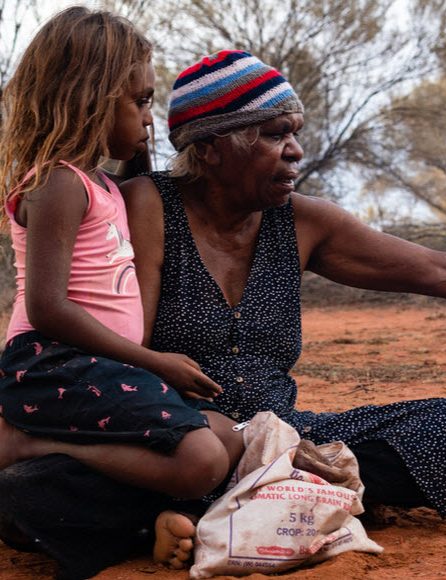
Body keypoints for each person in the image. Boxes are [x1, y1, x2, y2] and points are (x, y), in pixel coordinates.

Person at [0, 48, 446, 580]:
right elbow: (82, 317)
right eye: (276, 133)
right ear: (215, 148)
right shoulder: (145, 205)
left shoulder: (302, 224)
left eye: (297, 131)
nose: (297, 151)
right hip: (180, 434)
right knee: (37, 490)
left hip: (285, 438)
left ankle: (224, 509)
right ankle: (249, 506)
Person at [0, 7, 242, 529]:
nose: (150, 117)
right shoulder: (59, 183)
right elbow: (47, 307)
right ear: (88, 98)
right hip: (52, 361)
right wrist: (153, 362)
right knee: (202, 459)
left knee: (227, 437)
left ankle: (119, 515)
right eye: (141, 101)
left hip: (96, 365)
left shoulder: (105, 185)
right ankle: (24, 442)